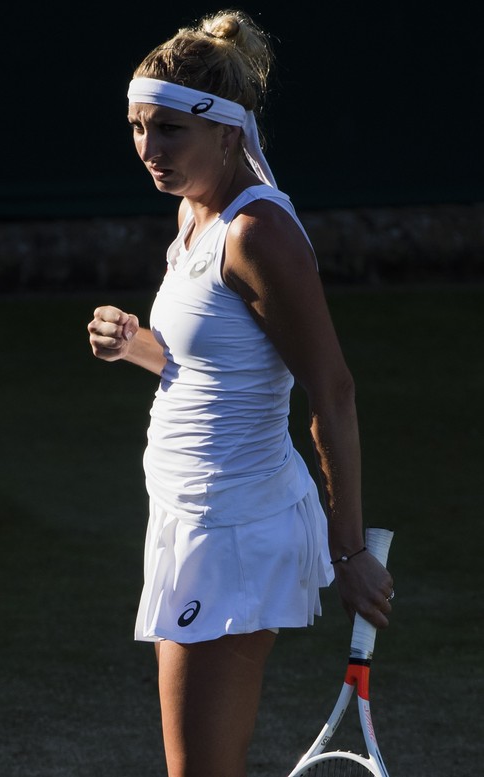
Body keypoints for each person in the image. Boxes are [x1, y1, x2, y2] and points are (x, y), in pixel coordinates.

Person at [87, 9, 394, 777]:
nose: (148, 150)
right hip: (191, 515)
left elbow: (333, 392)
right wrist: (138, 348)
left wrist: (348, 546)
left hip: (234, 528)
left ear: (227, 132)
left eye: (168, 132)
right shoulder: (195, 216)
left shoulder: (257, 235)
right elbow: (215, 369)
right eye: (137, 128)